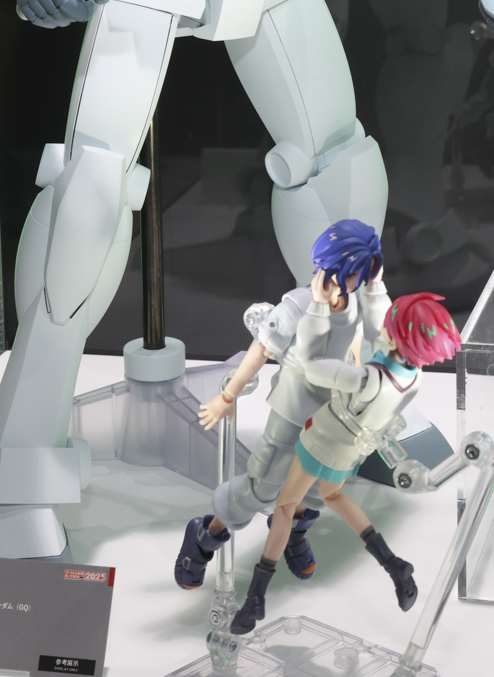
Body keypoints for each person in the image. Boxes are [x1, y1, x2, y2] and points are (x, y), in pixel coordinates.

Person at [228, 286, 461, 634]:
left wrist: (311, 327)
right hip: (351, 452)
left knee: (285, 508)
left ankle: (256, 598)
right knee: (333, 496)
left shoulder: (367, 379)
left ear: (398, 339)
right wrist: (375, 287)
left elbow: (313, 369)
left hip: (321, 441)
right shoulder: (413, 378)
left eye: (390, 326)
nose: (383, 328)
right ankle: (392, 563)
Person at [173, 220, 389, 589]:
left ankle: (292, 531)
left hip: (330, 411)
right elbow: (262, 349)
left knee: (316, 483)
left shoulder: (352, 301)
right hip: (293, 408)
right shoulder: (299, 303)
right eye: (357, 273)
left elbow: (356, 340)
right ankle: (205, 536)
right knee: (263, 484)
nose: (359, 281)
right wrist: (227, 396)